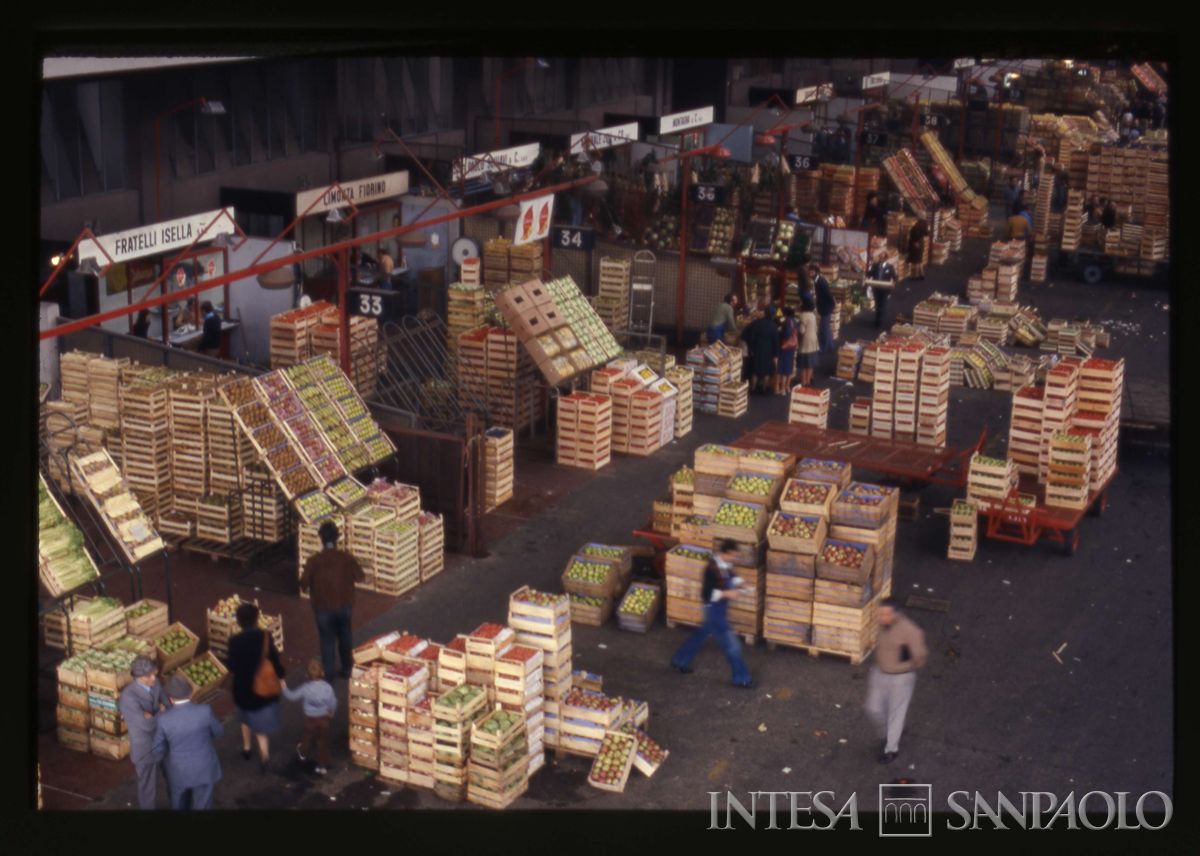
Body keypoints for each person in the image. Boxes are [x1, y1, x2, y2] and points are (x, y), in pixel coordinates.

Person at [670, 539, 753, 688]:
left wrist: (741, 584)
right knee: (732, 645)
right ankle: (742, 678)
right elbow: (707, 594)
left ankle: (679, 660)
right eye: (733, 555)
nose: (734, 559)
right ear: (725, 553)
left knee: (700, 636)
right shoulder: (711, 569)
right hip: (713, 611)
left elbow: (731, 575)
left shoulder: (724, 564)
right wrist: (727, 594)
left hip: (718, 611)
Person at [865, 598, 927, 764]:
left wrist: (902, 664)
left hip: (900, 679)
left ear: (896, 614)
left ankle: (891, 748)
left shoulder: (909, 631)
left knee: (896, 713)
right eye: (881, 614)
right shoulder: (884, 625)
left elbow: (919, 657)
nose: (882, 617)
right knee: (873, 708)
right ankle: (890, 732)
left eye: (886, 614)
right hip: (880, 672)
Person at [300, 520, 365, 680]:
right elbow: (361, 577)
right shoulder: (346, 558)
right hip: (344, 606)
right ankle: (347, 669)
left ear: (321, 539)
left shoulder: (314, 561)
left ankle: (328, 675)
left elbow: (303, 585)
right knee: (345, 637)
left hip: (323, 608)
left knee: (326, 640)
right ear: (337, 538)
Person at [227, 602, 285, 772]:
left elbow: (232, 666)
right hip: (262, 690)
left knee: (244, 718)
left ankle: (246, 748)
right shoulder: (265, 636)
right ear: (256, 619)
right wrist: (281, 676)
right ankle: (264, 757)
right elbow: (274, 660)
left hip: (243, 690)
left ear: (239, 622)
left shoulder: (234, 641)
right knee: (260, 729)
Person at [153, 675, 224, 810]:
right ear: (190, 694)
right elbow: (219, 732)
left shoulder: (164, 719)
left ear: (171, 699)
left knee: (179, 804)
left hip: (178, 771)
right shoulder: (205, 710)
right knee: (203, 805)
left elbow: (157, 749)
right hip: (204, 767)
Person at [118, 656, 172, 809]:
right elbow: (146, 726)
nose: (154, 677)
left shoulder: (156, 684)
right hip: (145, 748)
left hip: (164, 741)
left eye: (154, 673)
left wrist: (154, 715)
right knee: (147, 788)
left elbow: (168, 705)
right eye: (149, 676)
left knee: (173, 778)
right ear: (138, 677)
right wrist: (161, 712)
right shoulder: (128, 697)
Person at [284, 658, 338, 775]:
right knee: (322, 741)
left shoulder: (305, 688)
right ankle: (322, 766)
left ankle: (303, 752)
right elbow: (333, 701)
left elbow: (292, 696)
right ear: (322, 673)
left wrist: (284, 687)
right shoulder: (327, 688)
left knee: (307, 736)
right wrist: (331, 712)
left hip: (310, 718)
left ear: (307, 675)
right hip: (324, 718)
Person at [741, 306, 780, 395]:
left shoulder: (757, 323)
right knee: (766, 371)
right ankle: (764, 388)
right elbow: (776, 342)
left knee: (755, 370)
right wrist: (775, 354)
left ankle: (753, 388)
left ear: (765, 313)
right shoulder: (774, 326)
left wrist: (751, 345)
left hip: (756, 350)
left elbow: (745, 334)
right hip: (768, 352)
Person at [809, 264, 836, 353]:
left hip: (826, 308)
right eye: (809, 271)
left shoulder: (820, 281)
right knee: (826, 328)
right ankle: (831, 346)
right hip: (824, 307)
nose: (810, 273)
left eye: (811, 272)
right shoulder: (817, 281)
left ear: (816, 272)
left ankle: (823, 348)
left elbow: (828, 294)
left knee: (823, 329)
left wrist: (832, 304)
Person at [867, 254, 897, 330]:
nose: (881, 259)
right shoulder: (875, 266)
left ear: (886, 259)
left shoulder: (890, 267)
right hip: (876, 288)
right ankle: (878, 318)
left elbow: (895, 277)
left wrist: (893, 283)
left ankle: (878, 321)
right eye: (880, 257)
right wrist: (868, 271)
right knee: (878, 303)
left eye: (883, 257)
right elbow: (870, 274)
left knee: (882, 304)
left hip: (885, 289)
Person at [796, 295, 820, 388]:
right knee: (810, 363)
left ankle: (803, 381)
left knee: (803, 363)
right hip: (814, 340)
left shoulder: (803, 316)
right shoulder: (813, 315)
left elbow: (801, 331)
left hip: (805, 341)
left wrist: (798, 341)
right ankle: (808, 381)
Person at [775, 306, 798, 395]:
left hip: (785, 347)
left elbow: (786, 334)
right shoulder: (795, 321)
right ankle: (787, 387)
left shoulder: (787, 321)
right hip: (792, 347)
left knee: (782, 369)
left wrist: (780, 332)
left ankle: (781, 389)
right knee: (789, 368)